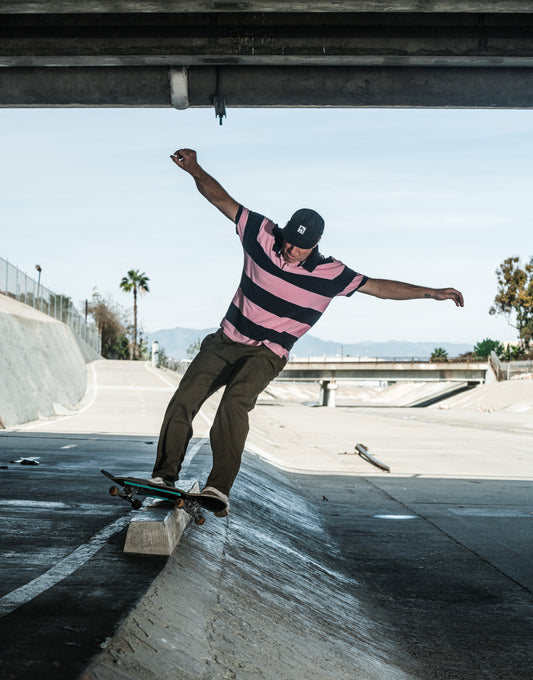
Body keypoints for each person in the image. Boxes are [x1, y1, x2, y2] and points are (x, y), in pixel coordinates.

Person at [151, 148, 464, 517]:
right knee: (184, 398)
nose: (290, 250)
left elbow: (379, 287)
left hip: (268, 353)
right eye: (288, 241)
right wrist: (196, 170)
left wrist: (432, 292)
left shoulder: (332, 274)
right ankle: (163, 477)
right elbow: (222, 199)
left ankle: (218, 487)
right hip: (226, 340)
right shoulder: (262, 233)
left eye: (300, 248)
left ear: (315, 245)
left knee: (235, 402)